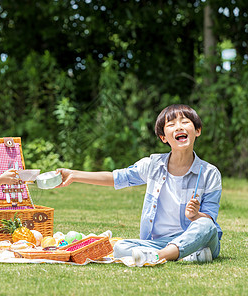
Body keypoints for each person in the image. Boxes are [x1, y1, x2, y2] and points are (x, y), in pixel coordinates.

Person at [56, 104, 222, 266]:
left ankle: (159, 256)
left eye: (185, 122)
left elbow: (209, 218)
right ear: (163, 137)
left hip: (197, 238)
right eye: (171, 124)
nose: (179, 127)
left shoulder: (209, 173)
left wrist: (195, 216)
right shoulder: (152, 165)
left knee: (206, 225)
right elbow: (116, 178)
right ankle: (187, 255)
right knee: (120, 247)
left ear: (197, 131)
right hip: (158, 242)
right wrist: (74, 174)